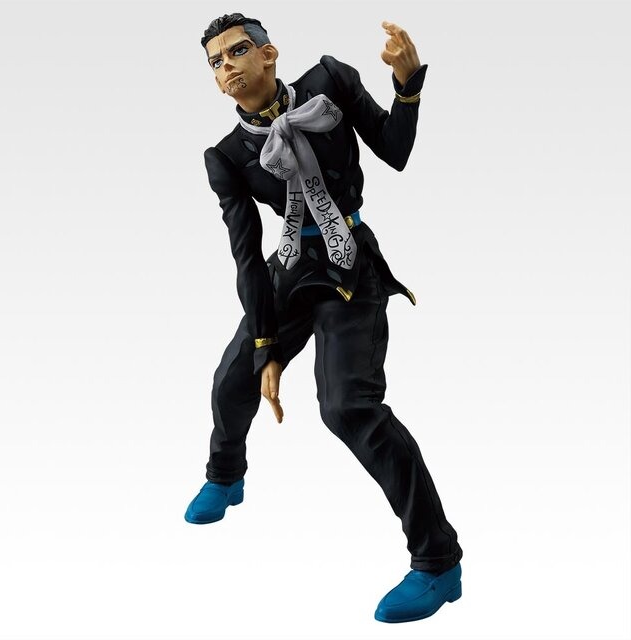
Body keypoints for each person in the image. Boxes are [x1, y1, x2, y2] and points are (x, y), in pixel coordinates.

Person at [185, 13, 463, 623]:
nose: (226, 66)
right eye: (214, 62)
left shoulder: (329, 82)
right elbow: (247, 259)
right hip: (288, 271)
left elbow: (395, 150)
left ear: (269, 54)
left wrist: (408, 87)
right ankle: (226, 475)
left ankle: (438, 561)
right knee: (231, 381)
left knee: (347, 407)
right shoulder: (226, 156)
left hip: (349, 267)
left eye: (237, 51)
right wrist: (266, 346)